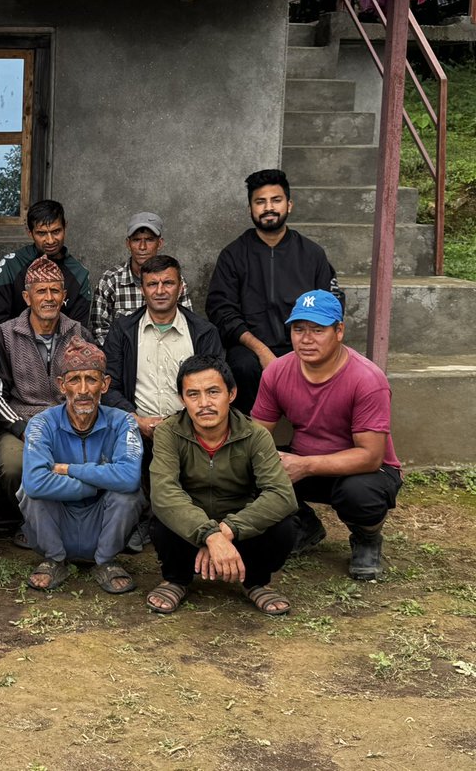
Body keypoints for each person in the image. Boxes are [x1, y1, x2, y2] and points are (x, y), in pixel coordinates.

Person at [251, 290, 402, 581]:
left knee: (359, 495)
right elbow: (257, 436)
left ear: (339, 331)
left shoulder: (367, 379)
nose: (306, 339)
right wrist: (262, 463)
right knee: (246, 465)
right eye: (298, 329)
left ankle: (367, 537)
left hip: (364, 470)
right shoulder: (277, 372)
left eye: (318, 330)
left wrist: (304, 465)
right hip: (306, 460)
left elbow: (370, 456)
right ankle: (304, 524)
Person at [146, 354, 298, 615]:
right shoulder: (168, 432)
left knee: (285, 525)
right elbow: (164, 492)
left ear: (232, 393)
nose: (204, 403)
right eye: (193, 395)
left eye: (213, 392)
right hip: (189, 528)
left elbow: (281, 494)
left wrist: (226, 531)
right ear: (182, 400)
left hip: (238, 527)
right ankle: (175, 579)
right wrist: (207, 533)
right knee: (162, 517)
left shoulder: (255, 434)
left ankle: (256, 582)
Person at [206, 169, 341, 414]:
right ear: (250, 209)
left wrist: (303, 345)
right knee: (241, 366)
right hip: (251, 349)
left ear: (289, 205)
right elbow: (221, 310)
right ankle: (249, 439)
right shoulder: (233, 255)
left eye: (275, 200)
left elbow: (328, 307)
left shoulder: (311, 254)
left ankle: (313, 439)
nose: (269, 207)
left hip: (301, 344)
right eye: (260, 201)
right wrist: (262, 351)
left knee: (326, 361)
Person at [18, 338, 144, 593]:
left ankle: (106, 561)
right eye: (75, 380)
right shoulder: (41, 423)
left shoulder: (123, 422)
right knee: (29, 492)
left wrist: (69, 469)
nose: (84, 390)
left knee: (129, 494)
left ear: (105, 385)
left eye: (92, 379)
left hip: (102, 521)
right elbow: (35, 482)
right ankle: (54, 559)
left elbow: (129, 477)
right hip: (58, 520)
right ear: (62, 385)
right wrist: (98, 483)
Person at [0, 256, 91, 547]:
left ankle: (71, 524)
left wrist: (73, 422)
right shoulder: (6, 334)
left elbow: (89, 388)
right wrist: (22, 427)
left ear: (65, 295)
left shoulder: (78, 333)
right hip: (21, 421)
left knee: (88, 459)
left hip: (69, 420)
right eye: (41, 291)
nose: (49, 298)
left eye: (55, 291)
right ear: (26, 296)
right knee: (13, 465)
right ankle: (30, 522)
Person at [104, 256, 223, 443]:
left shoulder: (203, 332)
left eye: (168, 283)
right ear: (142, 290)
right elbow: (109, 386)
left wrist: (178, 423)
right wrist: (136, 420)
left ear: (181, 287)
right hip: (135, 434)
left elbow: (214, 388)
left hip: (191, 435)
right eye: (152, 284)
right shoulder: (122, 331)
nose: (160, 291)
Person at [89, 212, 192, 345]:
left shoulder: (174, 281)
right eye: (136, 240)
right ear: (128, 243)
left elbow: (187, 326)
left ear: (159, 243)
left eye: (149, 240)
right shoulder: (111, 280)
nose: (142, 247)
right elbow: (99, 331)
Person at [0, 199, 92, 330]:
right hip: (14, 346)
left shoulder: (79, 273)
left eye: (56, 231)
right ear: (29, 232)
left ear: (65, 227)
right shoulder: (11, 265)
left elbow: (78, 330)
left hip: (63, 348)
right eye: (41, 233)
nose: (50, 240)